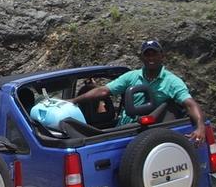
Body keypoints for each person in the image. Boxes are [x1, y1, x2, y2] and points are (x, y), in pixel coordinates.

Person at [71, 39, 206, 143]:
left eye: (154, 54)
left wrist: (200, 127)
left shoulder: (171, 81)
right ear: (142, 57)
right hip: (122, 129)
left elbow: (190, 104)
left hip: (149, 131)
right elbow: (103, 91)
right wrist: (73, 101)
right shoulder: (132, 76)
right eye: (147, 55)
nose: (151, 58)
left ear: (162, 56)